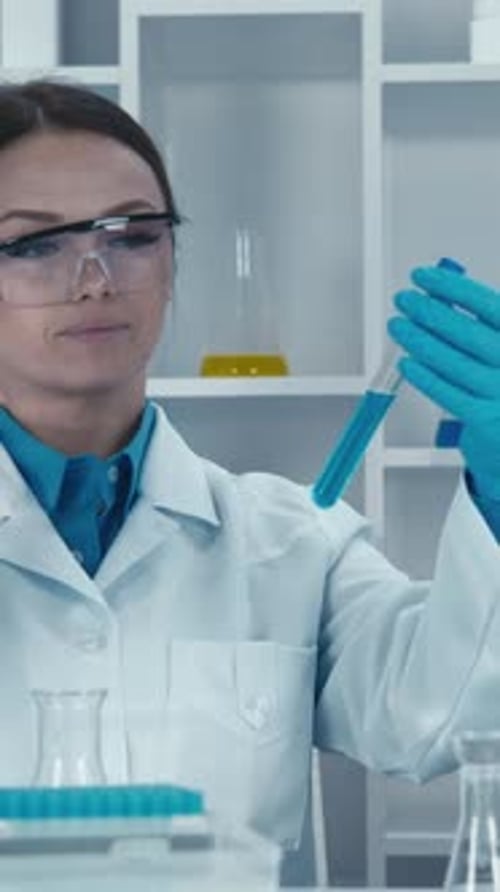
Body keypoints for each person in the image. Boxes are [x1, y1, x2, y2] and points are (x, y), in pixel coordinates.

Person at [0, 78, 500, 864]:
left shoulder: (290, 541)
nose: (96, 277)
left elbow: (440, 716)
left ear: (173, 261)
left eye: (133, 235)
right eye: (33, 245)